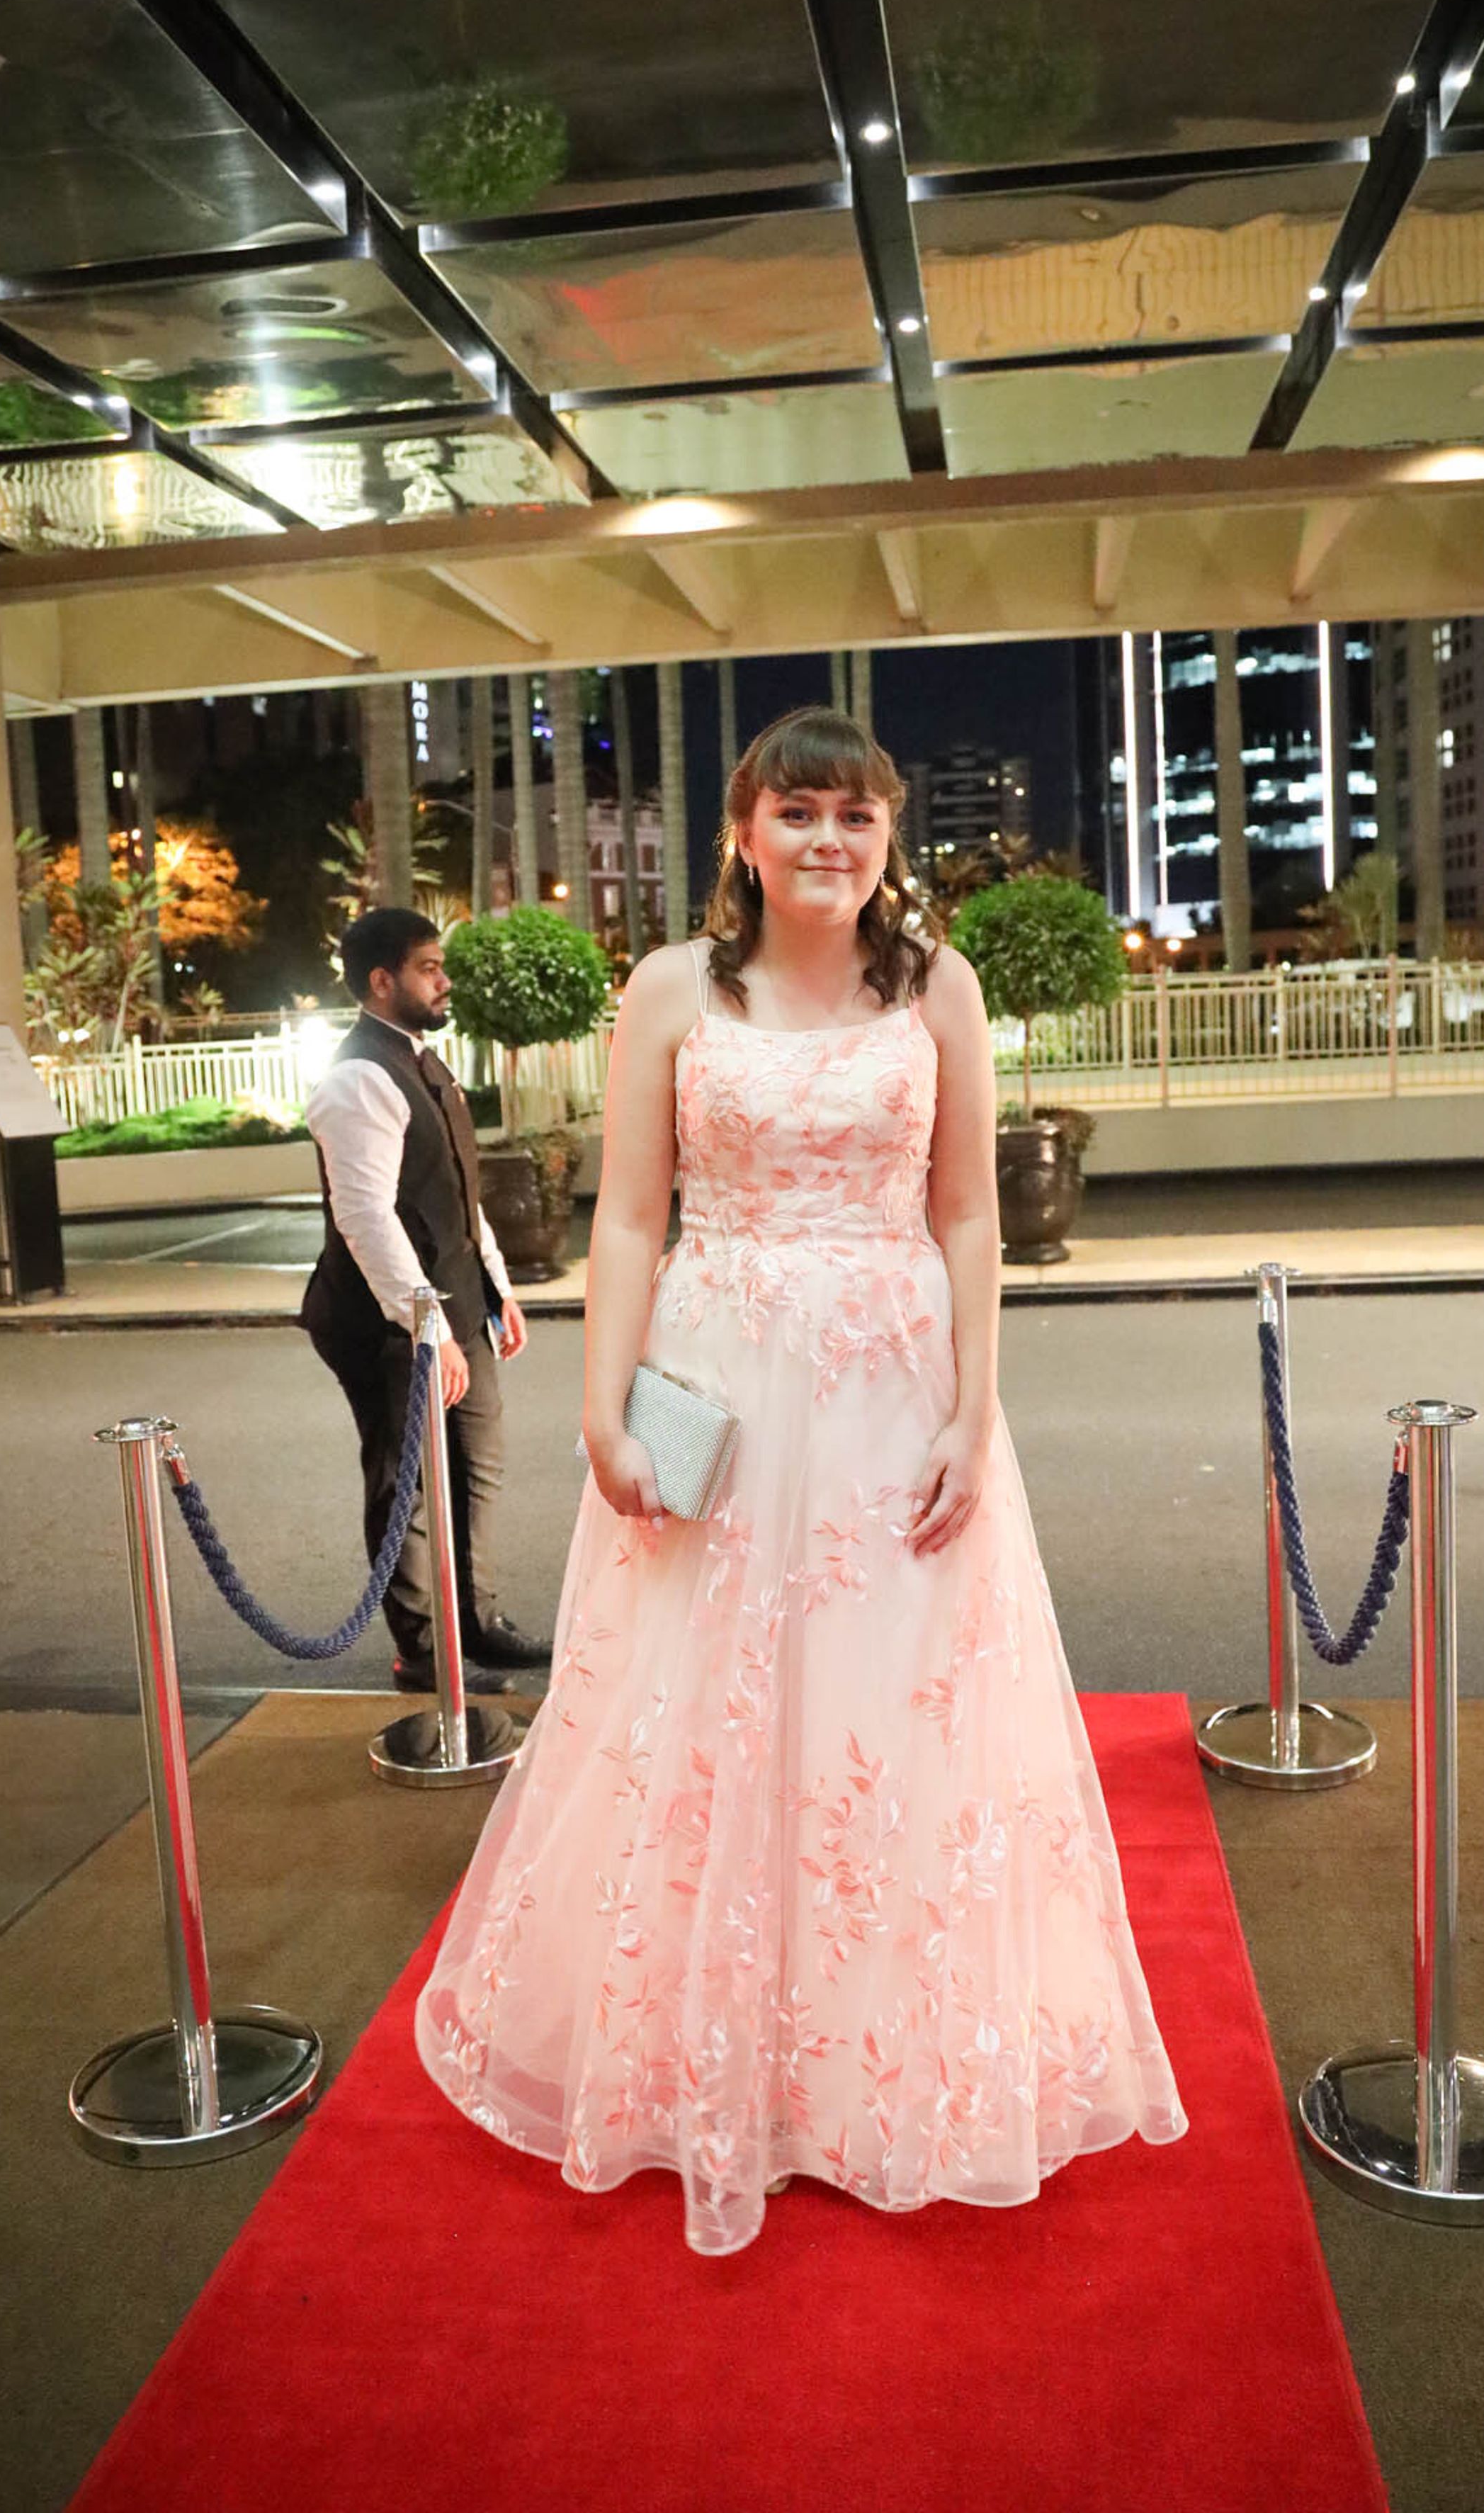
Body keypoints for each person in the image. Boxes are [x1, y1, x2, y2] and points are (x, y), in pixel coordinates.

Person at [415, 710, 1186, 2255]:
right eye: (799, 812)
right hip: (718, 1379)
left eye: (856, 815)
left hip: (895, 1386)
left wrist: (975, 1407)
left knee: (888, 1711)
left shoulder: (940, 988)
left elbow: (966, 1214)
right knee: (704, 1711)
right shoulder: (670, 989)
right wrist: (601, 1410)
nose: (829, 839)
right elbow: (629, 1217)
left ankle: (869, 2069)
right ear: (744, 833)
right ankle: (713, 2059)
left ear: (887, 837)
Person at [300, 907, 550, 1694]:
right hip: (387, 1323)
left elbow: (456, 1196)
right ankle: (421, 1649)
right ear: (383, 981)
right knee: (404, 1484)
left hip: (457, 1308)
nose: (444, 981)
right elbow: (366, 1217)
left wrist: (498, 1291)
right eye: (428, 968)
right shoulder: (357, 1079)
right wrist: (427, 1328)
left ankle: (474, 1622)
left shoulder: (421, 1063)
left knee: (476, 1467)